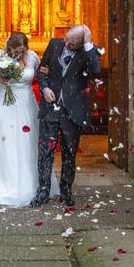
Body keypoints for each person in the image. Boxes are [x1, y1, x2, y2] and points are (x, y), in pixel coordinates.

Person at [0, 32, 59, 206]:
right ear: (8, 47)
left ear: (26, 47)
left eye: (20, 50)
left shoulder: (33, 56)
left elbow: (42, 74)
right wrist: (1, 80)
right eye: (14, 51)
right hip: (3, 102)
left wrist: (48, 72)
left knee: (27, 142)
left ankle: (32, 185)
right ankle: (0, 184)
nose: (17, 54)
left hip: (26, 102)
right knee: (3, 141)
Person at [30, 24, 101, 207]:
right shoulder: (54, 44)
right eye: (66, 39)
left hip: (73, 111)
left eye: (71, 43)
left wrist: (87, 43)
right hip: (50, 107)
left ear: (81, 43)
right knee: (45, 151)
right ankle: (43, 191)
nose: (66, 44)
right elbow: (41, 70)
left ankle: (66, 191)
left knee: (69, 153)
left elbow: (95, 70)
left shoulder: (89, 52)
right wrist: (44, 88)